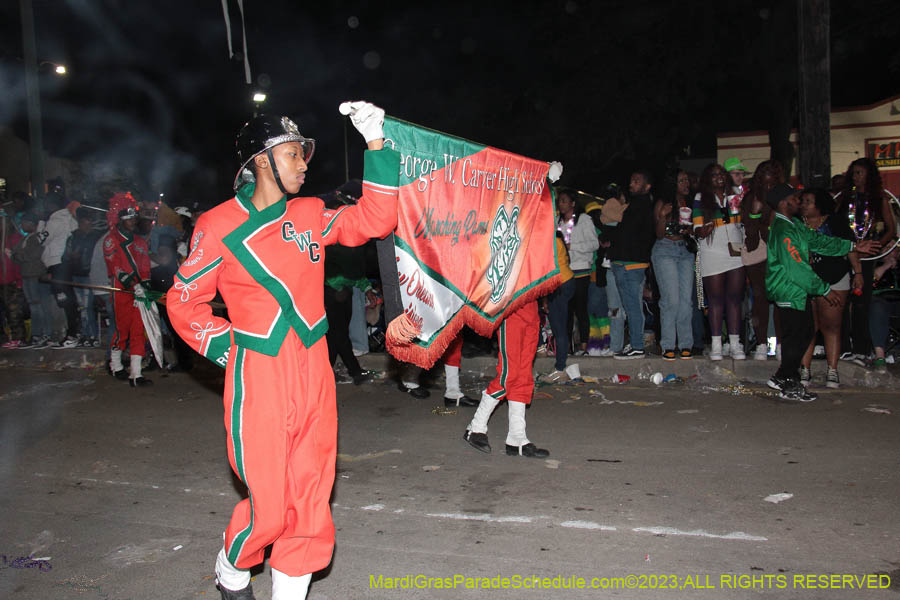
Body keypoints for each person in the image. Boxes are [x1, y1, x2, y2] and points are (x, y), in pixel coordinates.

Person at [165, 103, 399, 600]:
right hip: (260, 374)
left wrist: (375, 142)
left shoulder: (311, 212)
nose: (304, 164)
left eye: (303, 155)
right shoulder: (218, 223)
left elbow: (377, 218)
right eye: (293, 154)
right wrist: (229, 347)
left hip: (313, 369)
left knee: (311, 495)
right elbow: (184, 300)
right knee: (269, 504)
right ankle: (232, 568)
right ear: (262, 161)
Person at [764, 183, 879, 401]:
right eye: (795, 198)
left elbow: (818, 241)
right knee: (796, 336)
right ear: (783, 202)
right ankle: (789, 382)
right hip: (788, 289)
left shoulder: (794, 224)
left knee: (805, 332)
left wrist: (852, 247)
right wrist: (824, 289)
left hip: (797, 291)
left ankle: (782, 377)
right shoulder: (783, 230)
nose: (799, 201)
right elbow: (797, 268)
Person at [463, 300, 549, 458]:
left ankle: (517, 438)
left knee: (523, 376)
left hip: (531, 310)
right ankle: (475, 427)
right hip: (511, 308)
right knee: (508, 375)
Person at [798, 189, 863, 388]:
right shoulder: (797, 225)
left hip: (835, 278)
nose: (804, 204)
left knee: (831, 325)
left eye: (809, 201)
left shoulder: (835, 223)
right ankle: (804, 370)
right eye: (803, 201)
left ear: (820, 204)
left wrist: (858, 273)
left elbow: (849, 247)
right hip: (807, 280)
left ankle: (832, 371)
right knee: (808, 326)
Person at [837, 158, 897, 361]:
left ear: (869, 175)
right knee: (843, 302)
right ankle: (843, 346)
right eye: (853, 173)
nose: (856, 177)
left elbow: (891, 229)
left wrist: (875, 247)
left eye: (860, 173)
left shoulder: (879, 199)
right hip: (846, 254)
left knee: (862, 302)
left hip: (867, 256)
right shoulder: (844, 199)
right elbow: (837, 227)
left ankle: (861, 349)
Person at [693, 163, 746, 360]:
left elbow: (744, 221)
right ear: (708, 179)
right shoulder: (701, 198)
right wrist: (704, 229)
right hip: (712, 251)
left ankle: (734, 343)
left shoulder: (736, 196)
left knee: (734, 298)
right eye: (714, 175)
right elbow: (697, 228)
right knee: (715, 300)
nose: (719, 177)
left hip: (735, 251)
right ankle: (716, 344)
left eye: (722, 174)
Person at [103, 193, 153, 387]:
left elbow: (145, 266)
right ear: (120, 220)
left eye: (134, 218)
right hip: (121, 291)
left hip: (139, 293)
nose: (132, 221)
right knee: (122, 330)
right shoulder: (111, 240)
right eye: (128, 218)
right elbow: (115, 266)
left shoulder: (140, 242)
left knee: (138, 330)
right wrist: (134, 285)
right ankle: (115, 366)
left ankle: (136, 373)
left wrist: (145, 285)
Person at [607, 170, 655, 359]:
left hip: (630, 264)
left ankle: (637, 346)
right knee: (630, 306)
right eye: (631, 181)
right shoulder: (635, 205)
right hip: (625, 262)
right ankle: (635, 345)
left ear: (647, 186)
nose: (632, 184)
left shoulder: (642, 206)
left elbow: (632, 235)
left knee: (632, 306)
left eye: (637, 181)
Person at [740, 160, 783, 360]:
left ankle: (781, 344)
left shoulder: (785, 196)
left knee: (781, 299)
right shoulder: (751, 198)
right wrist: (755, 214)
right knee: (760, 299)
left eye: (772, 176)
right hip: (757, 252)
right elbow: (749, 232)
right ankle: (761, 344)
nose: (768, 182)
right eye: (764, 176)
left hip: (780, 252)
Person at [651, 169, 695, 360]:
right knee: (671, 300)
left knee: (686, 301)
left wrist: (690, 229)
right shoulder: (663, 203)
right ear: (672, 184)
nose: (686, 184)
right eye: (682, 181)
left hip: (684, 251)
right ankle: (668, 344)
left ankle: (685, 343)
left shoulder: (689, 203)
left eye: (687, 180)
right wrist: (662, 216)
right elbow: (659, 233)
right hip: (665, 250)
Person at [556, 189, 598, 355]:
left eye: (565, 200)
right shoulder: (557, 221)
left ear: (573, 203)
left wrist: (572, 247)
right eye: (560, 201)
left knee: (580, 309)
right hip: (563, 270)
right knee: (564, 310)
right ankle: (566, 346)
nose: (561, 204)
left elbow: (594, 244)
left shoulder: (584, 219)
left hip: (580, 269)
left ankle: (583, 347)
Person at [41, 194, 81, 347]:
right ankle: (71, 332)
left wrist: (40, 225)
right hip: (65, 263)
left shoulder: (54, 221)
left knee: (64, 299)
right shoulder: (70, 219)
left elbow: (42, 239)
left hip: (57, 263)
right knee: (67, 298)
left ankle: (72, 334)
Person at [538, 231, 575, 382]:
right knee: (560, 328)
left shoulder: (549, 242)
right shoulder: (557, 239)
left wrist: (545, 298)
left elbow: (547, 270)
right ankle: (559, 365)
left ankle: (560, 368)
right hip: (566, 281)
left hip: (558, 285)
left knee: (559, 329)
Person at [63, 207, 103, 346]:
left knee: (88, 306)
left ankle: (92, 335)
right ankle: (85, 334)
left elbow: (98, 257)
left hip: (89, 275)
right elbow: (65, 256)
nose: (87, 223)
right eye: (84, 221)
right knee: (81, 307)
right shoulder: (73, 236)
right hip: (76, 275)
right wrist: (71, 256)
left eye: (89, 220)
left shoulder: (96, 237)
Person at [11, 212, 53, 348]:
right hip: (26, 276)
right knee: (33, 306)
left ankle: (46, 334)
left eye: (24, 222)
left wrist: (20, 256)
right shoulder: (24, 238)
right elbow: (14, 254)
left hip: (37, 275)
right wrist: (19, 255)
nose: (22, 225)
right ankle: (36, 335)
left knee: (41, 307)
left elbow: (32, 254)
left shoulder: (37, 238)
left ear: (31, 224)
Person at [869, 247, 899, 373]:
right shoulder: (875, 263)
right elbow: (871, 281)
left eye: (895, 249)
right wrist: (886, 265)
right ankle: (880, 355)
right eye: (888, 248)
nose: (892, 251)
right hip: (882, 299)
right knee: (877, 307)